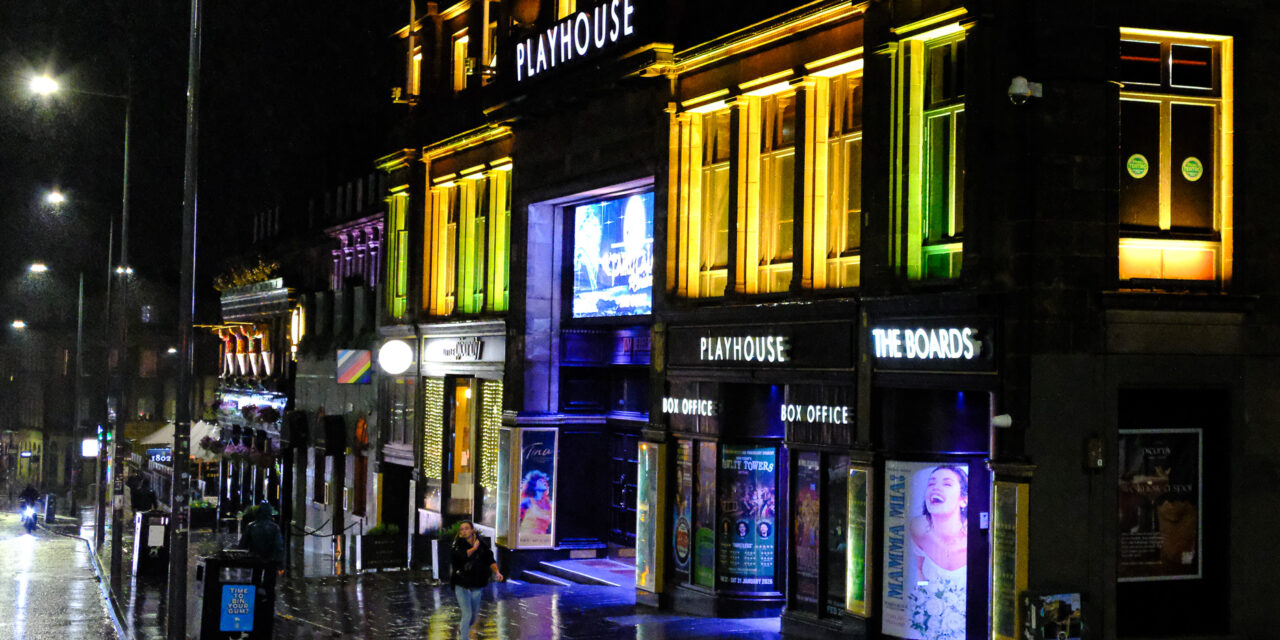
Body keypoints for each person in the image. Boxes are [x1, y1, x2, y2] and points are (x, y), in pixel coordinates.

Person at [907, 465, 969, 640]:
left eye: (947, 484)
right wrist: (924, 599)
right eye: (931, 483)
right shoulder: (917, 529)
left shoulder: (976, 538)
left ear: (963, 500)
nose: (935, 488)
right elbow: (919, 573)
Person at [451, 521, 503, 639]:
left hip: (477, 582)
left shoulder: (482, 544)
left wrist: (497, 572)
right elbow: (461, 557)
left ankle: (462, 629)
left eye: (466, 529)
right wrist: (474, 548)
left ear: (472, 530)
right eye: (461, 529)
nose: (464, 531)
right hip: (461, 582)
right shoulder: (457, 545)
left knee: (473, 616)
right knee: (467, 613)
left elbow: (490, 559)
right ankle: (464, 637)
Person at [238, 503, 285, 569]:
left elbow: (243, 544)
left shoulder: (251, 526)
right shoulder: (275, 527)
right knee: (269, 577)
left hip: (254, 559)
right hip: (270, 560)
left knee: (255, 576)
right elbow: (279, 546)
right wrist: (279, 562)